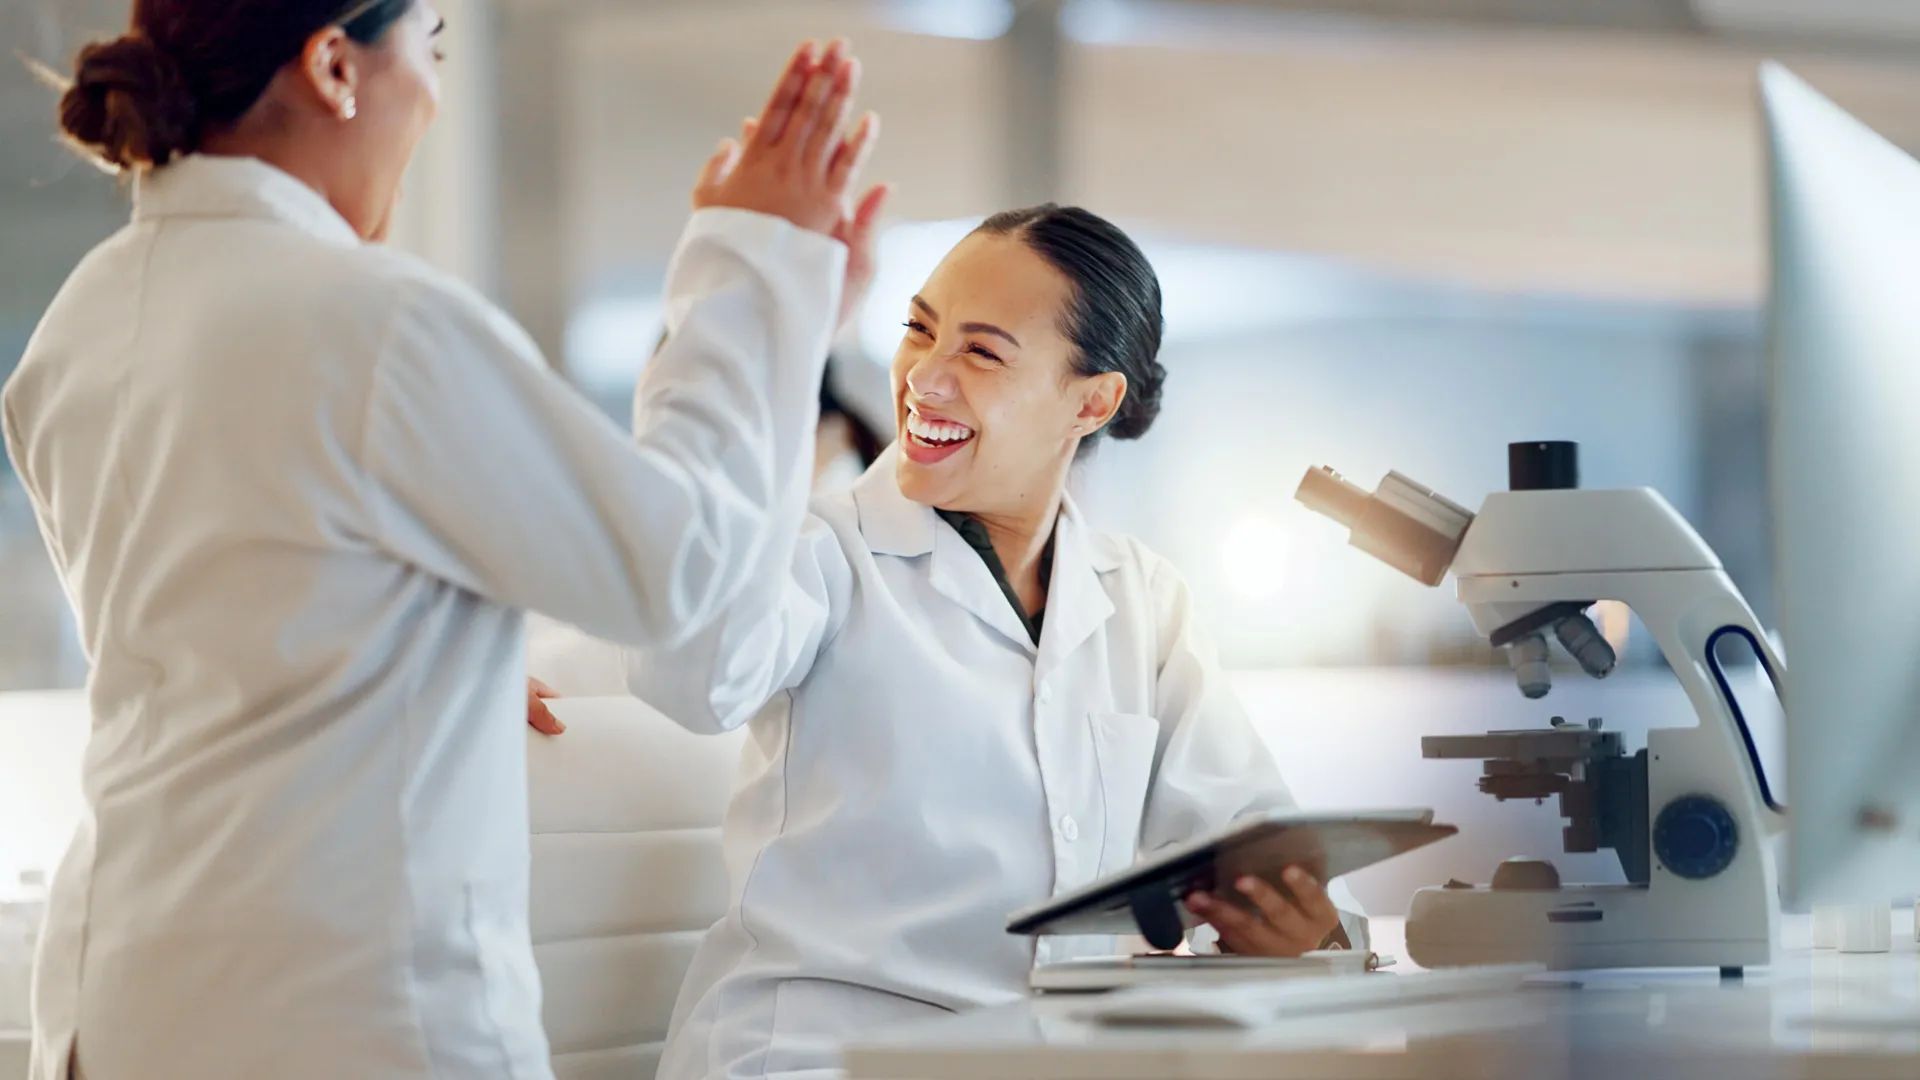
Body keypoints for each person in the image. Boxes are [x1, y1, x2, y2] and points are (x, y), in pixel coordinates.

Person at [1, 1, 885, 1074]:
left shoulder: (78, 326)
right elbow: (681, 573)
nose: (434, 99)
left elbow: (217, 629)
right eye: (432, 48)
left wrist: (430, 649)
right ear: (334, 65)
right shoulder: (374, 318)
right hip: (345, 1020)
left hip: (121, 1006)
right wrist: (750, 271)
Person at [585, 204, 1367, 1079]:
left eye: (982, 353)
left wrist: (1300, 924)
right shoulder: (823, 553)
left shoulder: (1141, 599)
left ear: (1092, 401)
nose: (925, 377)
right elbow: (688, 672)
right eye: (920, 330)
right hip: (817, 1059)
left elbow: (1249, 837)